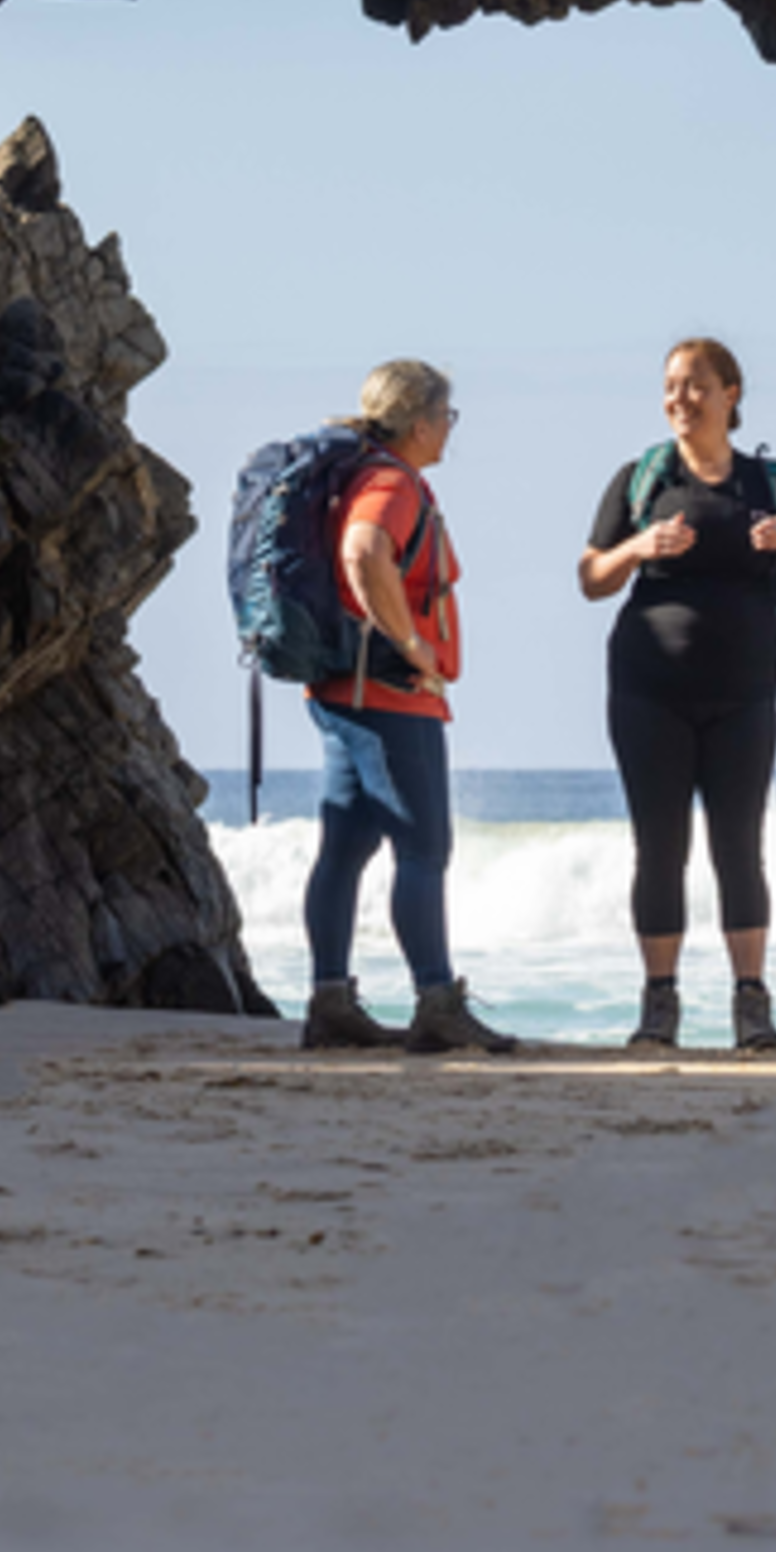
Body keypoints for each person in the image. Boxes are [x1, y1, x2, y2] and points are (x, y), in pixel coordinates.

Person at [576, 337, 776, 1051]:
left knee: (739, 845)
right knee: (659, 846)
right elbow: (592, 578)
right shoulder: (642, 477)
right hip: (647, 690)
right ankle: (659, 1005)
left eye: (695, 386)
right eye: (671, 387)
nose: (680, 399)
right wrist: (639, 548)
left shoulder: (767, 483)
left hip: (746, 693)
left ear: (730, 395)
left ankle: (752, 1005)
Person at [300, 359, 517, 1056]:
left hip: (344, 693)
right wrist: (413, 645)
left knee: (347, 849)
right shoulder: (393, 483)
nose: (450, 432)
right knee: (424, 850)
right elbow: (365, 552)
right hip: (391, 699)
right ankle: (436, 1004)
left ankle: (330, 1002)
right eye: (447, 418)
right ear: (421, 423)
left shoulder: (363, 476)